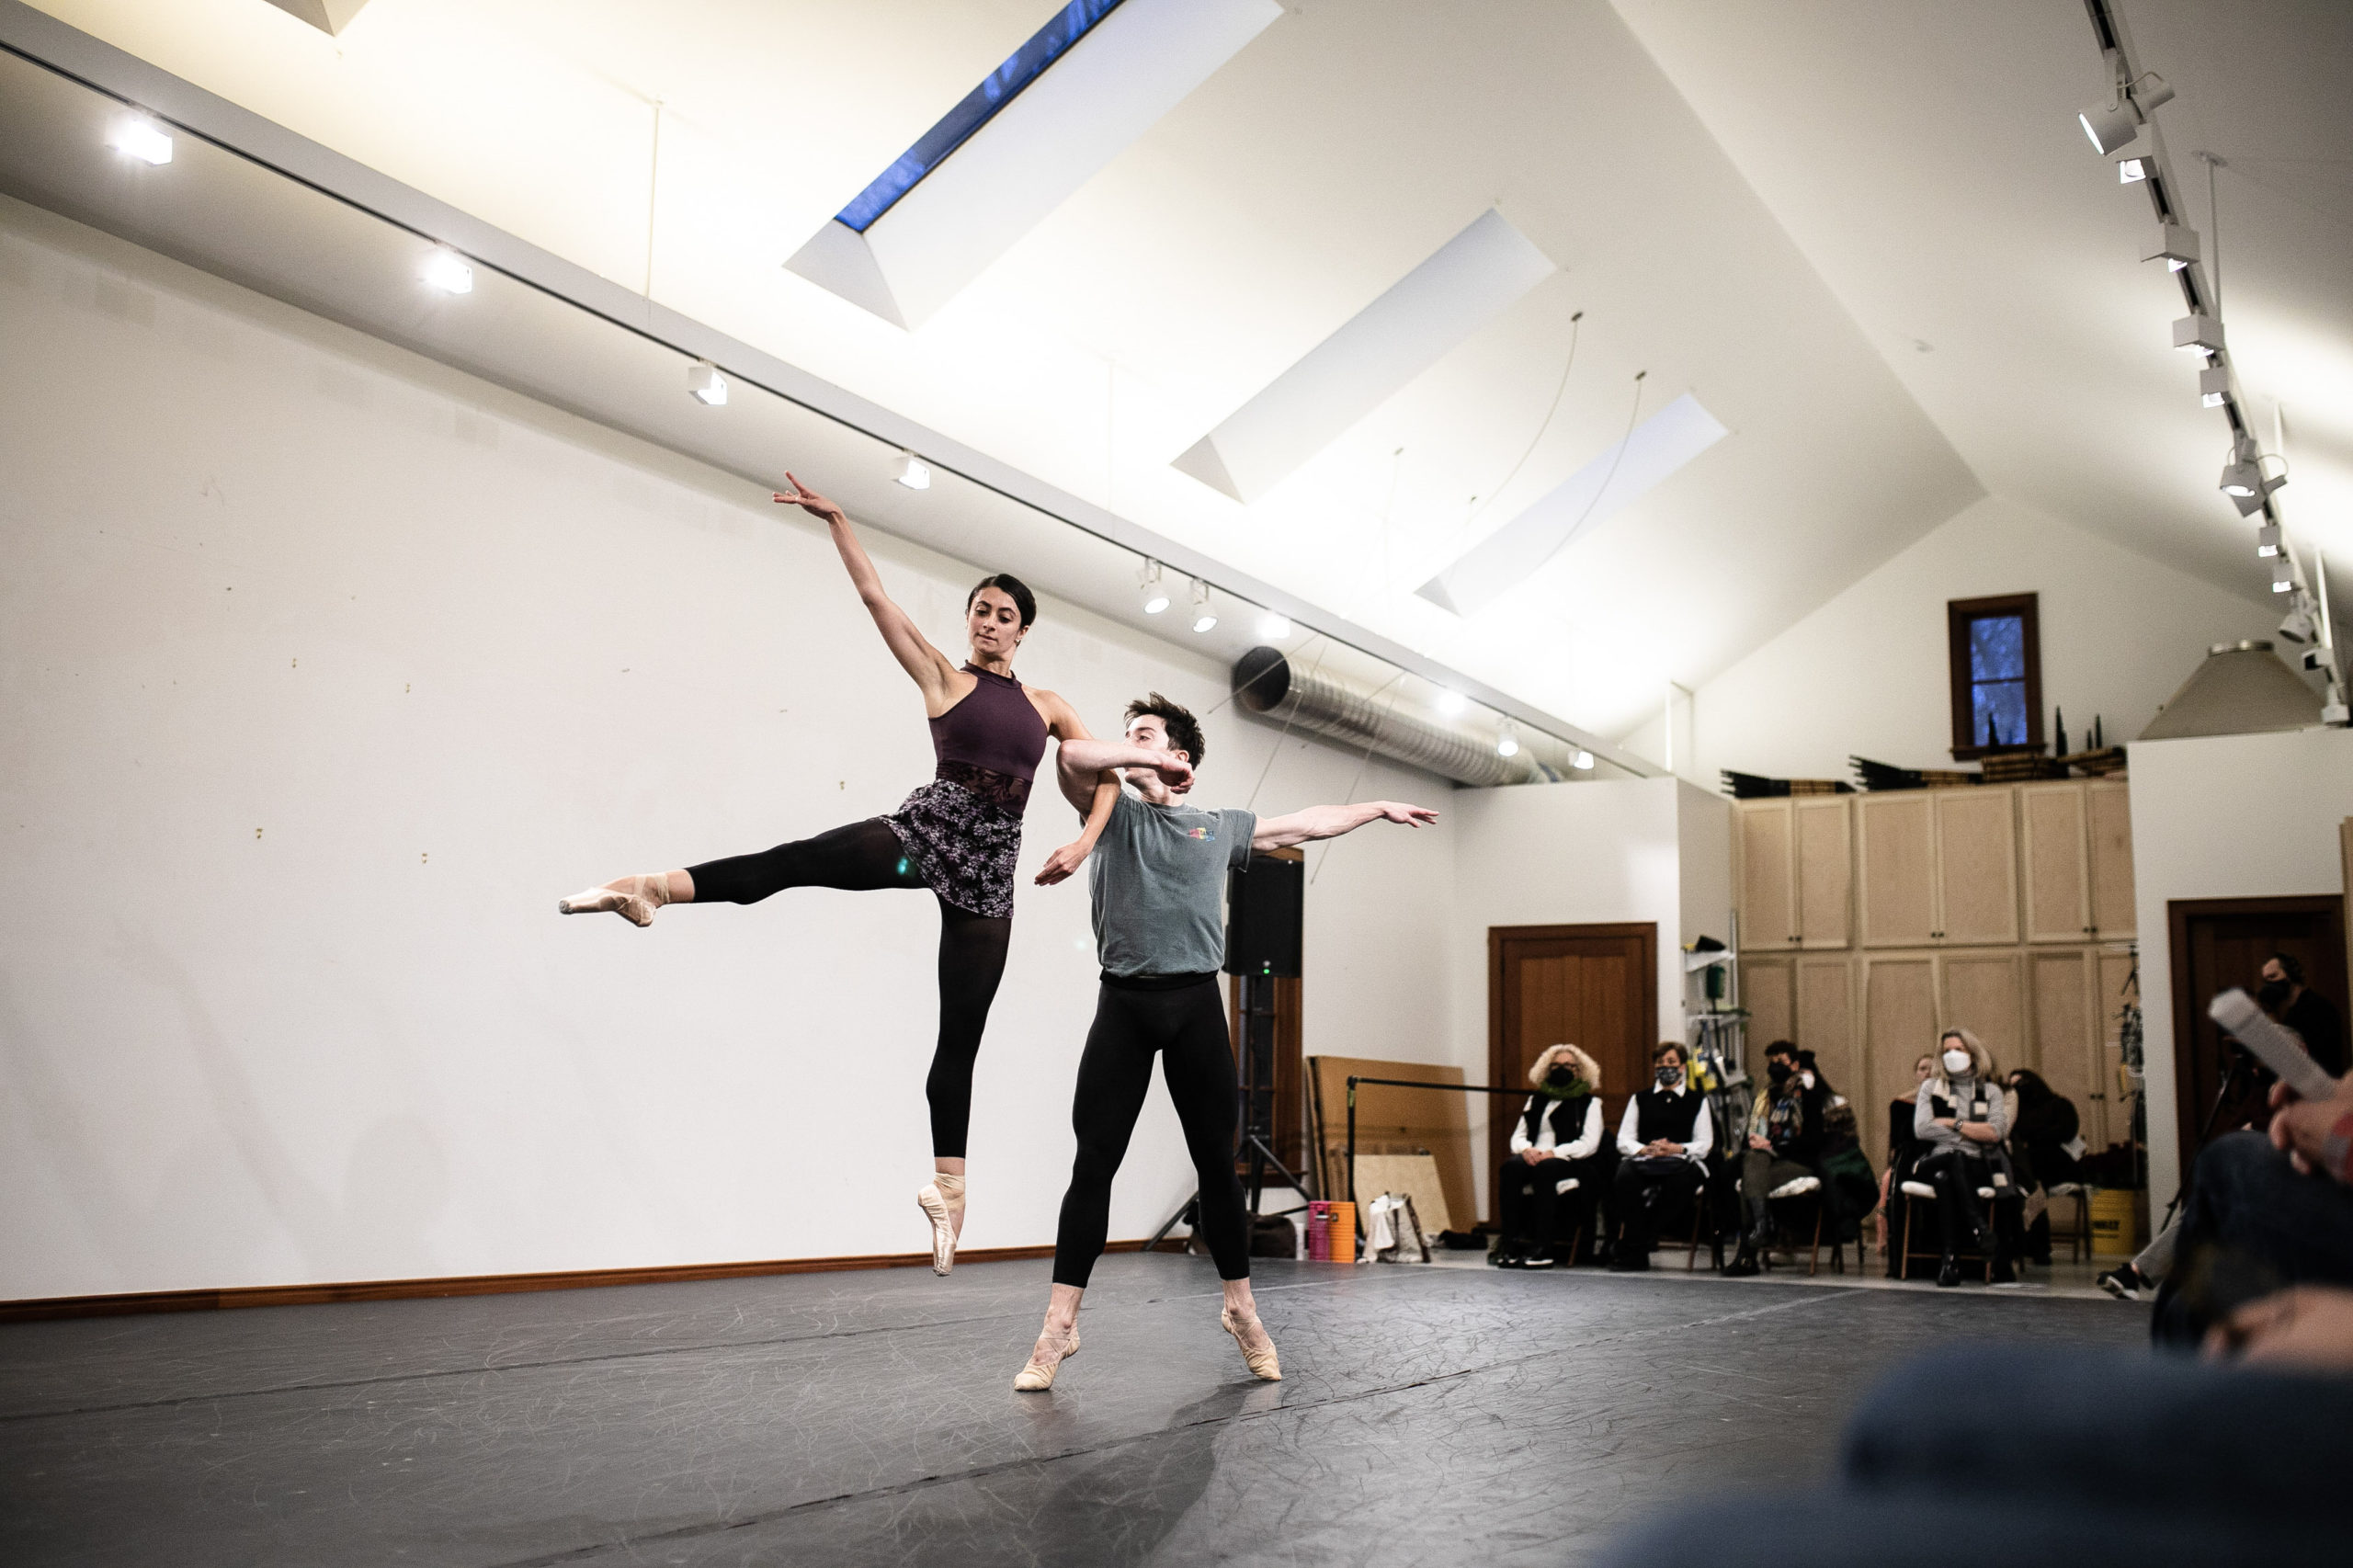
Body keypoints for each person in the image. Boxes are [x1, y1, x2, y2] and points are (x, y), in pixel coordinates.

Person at [555, 475, 1178, 1275]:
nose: (990, 623)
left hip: (989, 874)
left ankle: (948, 1193)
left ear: (1023, 632)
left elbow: (1101, 778)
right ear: (970, 622)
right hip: (921, 836)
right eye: (981, 611)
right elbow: (876, 597)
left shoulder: (1048, 704)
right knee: (795, 862)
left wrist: (1086, 843)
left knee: (963, 1037)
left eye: (1005, 616)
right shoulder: (942, 678)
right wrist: (841, 522)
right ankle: (650, 885)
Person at [1009, 694, 1439, 1391]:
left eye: (1145, 736)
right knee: (1093, 1166)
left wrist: (1375, 808)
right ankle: (1060, 1325)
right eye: (1128, 739)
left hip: (1196, 1008)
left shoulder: (1219, 828)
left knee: (1217, 1167)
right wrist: (1142, 755)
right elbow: (1071, 755)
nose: (1129, 745)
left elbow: (1306, 823)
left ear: (1181, 757)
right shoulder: (1110, 811)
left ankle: (1241, 1311)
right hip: (1123, 1004)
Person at [1914, 1028, 2015, 1287]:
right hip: (1934, 1158)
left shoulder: (1990, 1091)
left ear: (1972, 1053)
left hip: (1976, 1165)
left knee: (1945, 1178)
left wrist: (1953, 1124)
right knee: (1950, 1160)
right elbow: (1923, 1129)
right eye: (1947, 1051)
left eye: (1958, 1050)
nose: (1952, 1055)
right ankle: (1978, 1227)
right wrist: (1972, 1132)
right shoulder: (1930, 1087)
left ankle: (1950, 1262)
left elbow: (1995, 1133)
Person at [1494, 1044, 1610, 1268]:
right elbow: (1518, 1136)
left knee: (1545, 1169)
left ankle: (1543, 1247)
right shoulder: (1536, 1100)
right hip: (1534, 1155)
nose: (1561, 1069)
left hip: (1569, 1160)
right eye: (1555, 1065)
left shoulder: (1590, 1103)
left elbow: (1589, 1143)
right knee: (1511, 1168)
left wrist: (1553, 1153)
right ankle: (1509, 1245)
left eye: (1568, 1065)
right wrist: (1526, 1149)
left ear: (1579, 1070)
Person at [1608, 1042, 1714, 1272]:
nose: (1665, 1067)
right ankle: (1639, 1245)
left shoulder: (1697, 1101)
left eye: (1671, 1063)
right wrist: (1645, 1149)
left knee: (1681, 1183)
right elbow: (1624, 1139)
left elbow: (1704, 1144)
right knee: (1624, 1177)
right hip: (1647, 1159)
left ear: (1682, 1067)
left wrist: (1676, 1148)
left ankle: (1639, 1241)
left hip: (1681, 1161)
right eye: (1660, 1063)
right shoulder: (1640, 1099)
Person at [1724, 1040, 1826, 1277]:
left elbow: (1813, 1141)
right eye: (1771, 1062)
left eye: (1780, 1062)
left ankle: (1748, 1253)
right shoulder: (1765, 1096)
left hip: (1798, 1162)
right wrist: (1754, 1141)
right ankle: (1761, 1228)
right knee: (1753, 1160)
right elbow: (1750, 1139)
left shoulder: (1809, 1095)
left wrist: (1771, 1144)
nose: (1774, 1067)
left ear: (1794, 1064)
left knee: (1752, 1174)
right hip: (1765, 1163)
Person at [2006, 1067, 2083, 1267]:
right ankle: (2030, 1245)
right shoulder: (2016, 1110)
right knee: (2030, 1184)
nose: (2017, 1089)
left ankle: (2035, 1246)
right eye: (2012, 1086)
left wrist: (2034, 1137)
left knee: (2033, 1170)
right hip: (2031, 1166)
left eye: (2020, 1084)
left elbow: (2065, 1131)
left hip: (2056, 1163)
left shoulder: (2059, 1105)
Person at [1878, 1052, 1933, 1267]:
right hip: (1908, 1156)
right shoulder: (1901, 1103)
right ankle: (1892, 1241)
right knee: (1887, 1179)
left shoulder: (1945, 1100)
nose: (1927, 1072)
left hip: (1931, 1156)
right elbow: (1895, 1144)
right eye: (1922, 1068)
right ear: (1915, 1074)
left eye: (1932, 1068)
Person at [2263, 951, 2346, 1078]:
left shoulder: (2317, 1007)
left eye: (2273, 976)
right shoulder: (2292, 1011)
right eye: (2266, 980)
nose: (2269, 984)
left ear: (2290, 975)